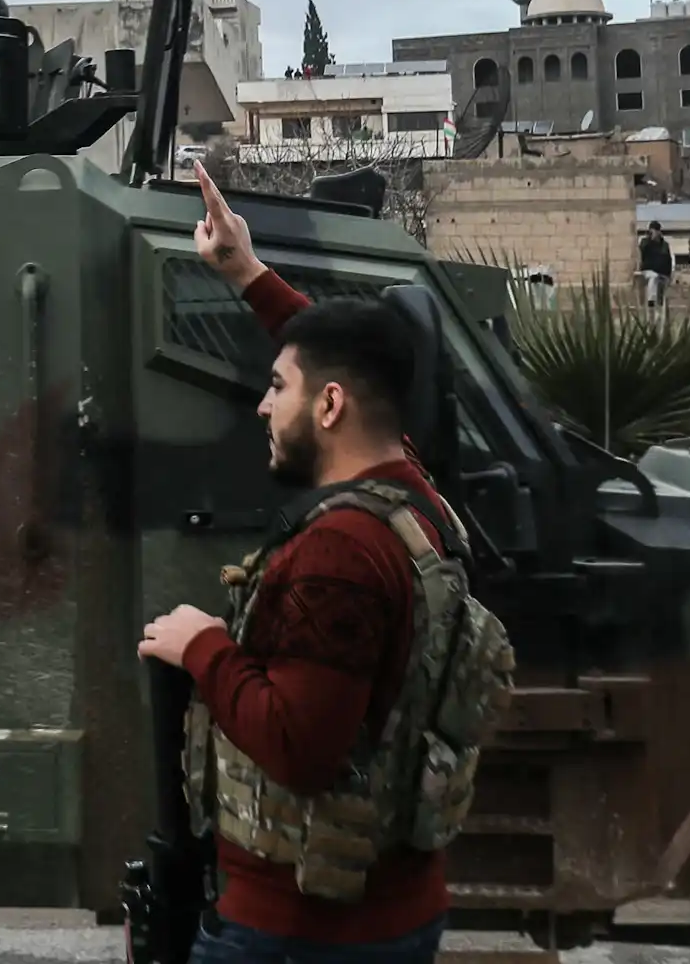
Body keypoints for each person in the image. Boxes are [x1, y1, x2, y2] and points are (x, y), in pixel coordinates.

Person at [141, 171, 467, 963]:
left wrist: (201, 647)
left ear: (328, 407)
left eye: (277, 387)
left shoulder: (340, 552)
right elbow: (346, 366)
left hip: (300, 931)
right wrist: (247, 273)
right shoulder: (417, 503)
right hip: (387, 910)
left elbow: (302, 747)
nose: (262, 405)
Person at [638, 222, 673, 309]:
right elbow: (642, 250)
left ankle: (660, 305)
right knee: (654, 277)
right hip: (648, 270)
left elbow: (668, 259)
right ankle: (651, 300)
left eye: (656, 231)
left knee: (661, 286)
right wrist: (650, 239)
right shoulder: (645, 241)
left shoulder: (664, 244)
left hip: (662, 272)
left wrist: (669, 274)